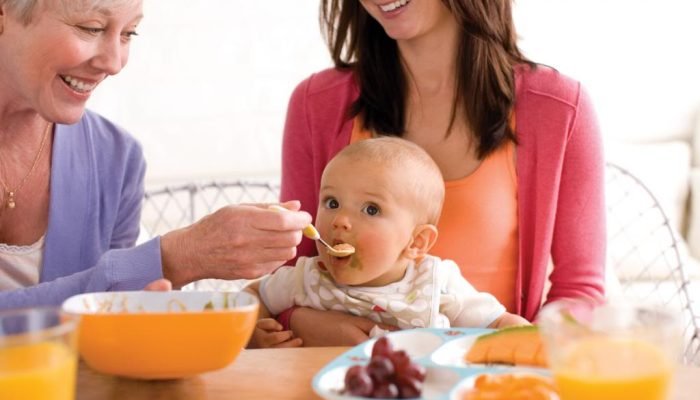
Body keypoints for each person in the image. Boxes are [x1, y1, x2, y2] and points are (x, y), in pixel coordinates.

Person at [279, 0, 605, 345]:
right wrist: (298, 320)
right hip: (345, 380)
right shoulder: (316, 103)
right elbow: (289, 270)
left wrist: (524, 350)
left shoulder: (559, 107)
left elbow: (580, 290)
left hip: (490, 384)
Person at [0, 0, 311, 310]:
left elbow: (108, 327)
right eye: (91, 28)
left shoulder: (117, 160)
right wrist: (172, 259)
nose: (114, 63)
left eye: (128, 34)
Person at [248, 138, 529, 348]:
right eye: (332, 203)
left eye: (371, 209)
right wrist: (254, 335)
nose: (340, 220)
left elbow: (500, 323)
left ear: (417, 242)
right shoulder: (305, 278)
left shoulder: (436, 283)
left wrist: (532, 343)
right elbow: (252, 297)